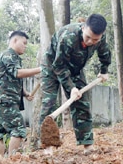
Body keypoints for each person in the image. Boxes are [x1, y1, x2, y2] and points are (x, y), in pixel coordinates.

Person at [39, 14, 111, 149]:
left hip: (75, 69)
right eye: (88, 37)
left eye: (95, 39)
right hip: (52, 67)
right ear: (83, 27)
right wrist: (71, 88)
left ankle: (87, 144)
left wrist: (104, 70)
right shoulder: (68, 37)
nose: (90, 42)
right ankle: (46, 146)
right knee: (49, 103)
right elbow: (59, 66)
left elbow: (104, 53)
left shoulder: (100, 39)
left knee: (82, 103)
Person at [0, 31, 42, 160]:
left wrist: (25, 94)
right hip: (5, 99)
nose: (25, 46)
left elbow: (13, 80)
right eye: (23, 43)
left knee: (0, 132)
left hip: (1, 100)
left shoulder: (13, 57)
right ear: (14, 41)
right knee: (18, 128)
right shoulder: (9, 55)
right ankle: (12, 160)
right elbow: (17, 73)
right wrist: (40, 69)